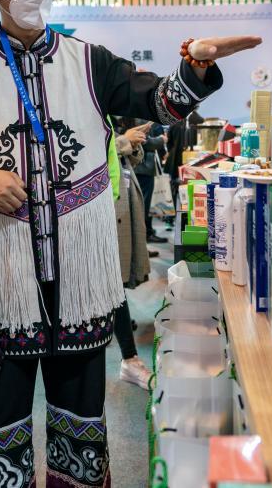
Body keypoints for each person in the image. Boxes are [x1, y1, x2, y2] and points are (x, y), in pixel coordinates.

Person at [0, 0, 260, 488]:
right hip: (3, 272)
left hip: (80, 276)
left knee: (80, 420)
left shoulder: (89, 61)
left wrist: (196, 68)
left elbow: (160, 102)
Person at [111, 120, 152, 390]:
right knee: (111, 285)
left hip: (118, 206)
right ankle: (129, 358)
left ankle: (129, 357)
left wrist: (132, 143)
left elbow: (129, 161)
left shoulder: (106, 115)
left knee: (114, 284)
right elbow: (93, 154)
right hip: (100, 210)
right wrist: (125, 140)